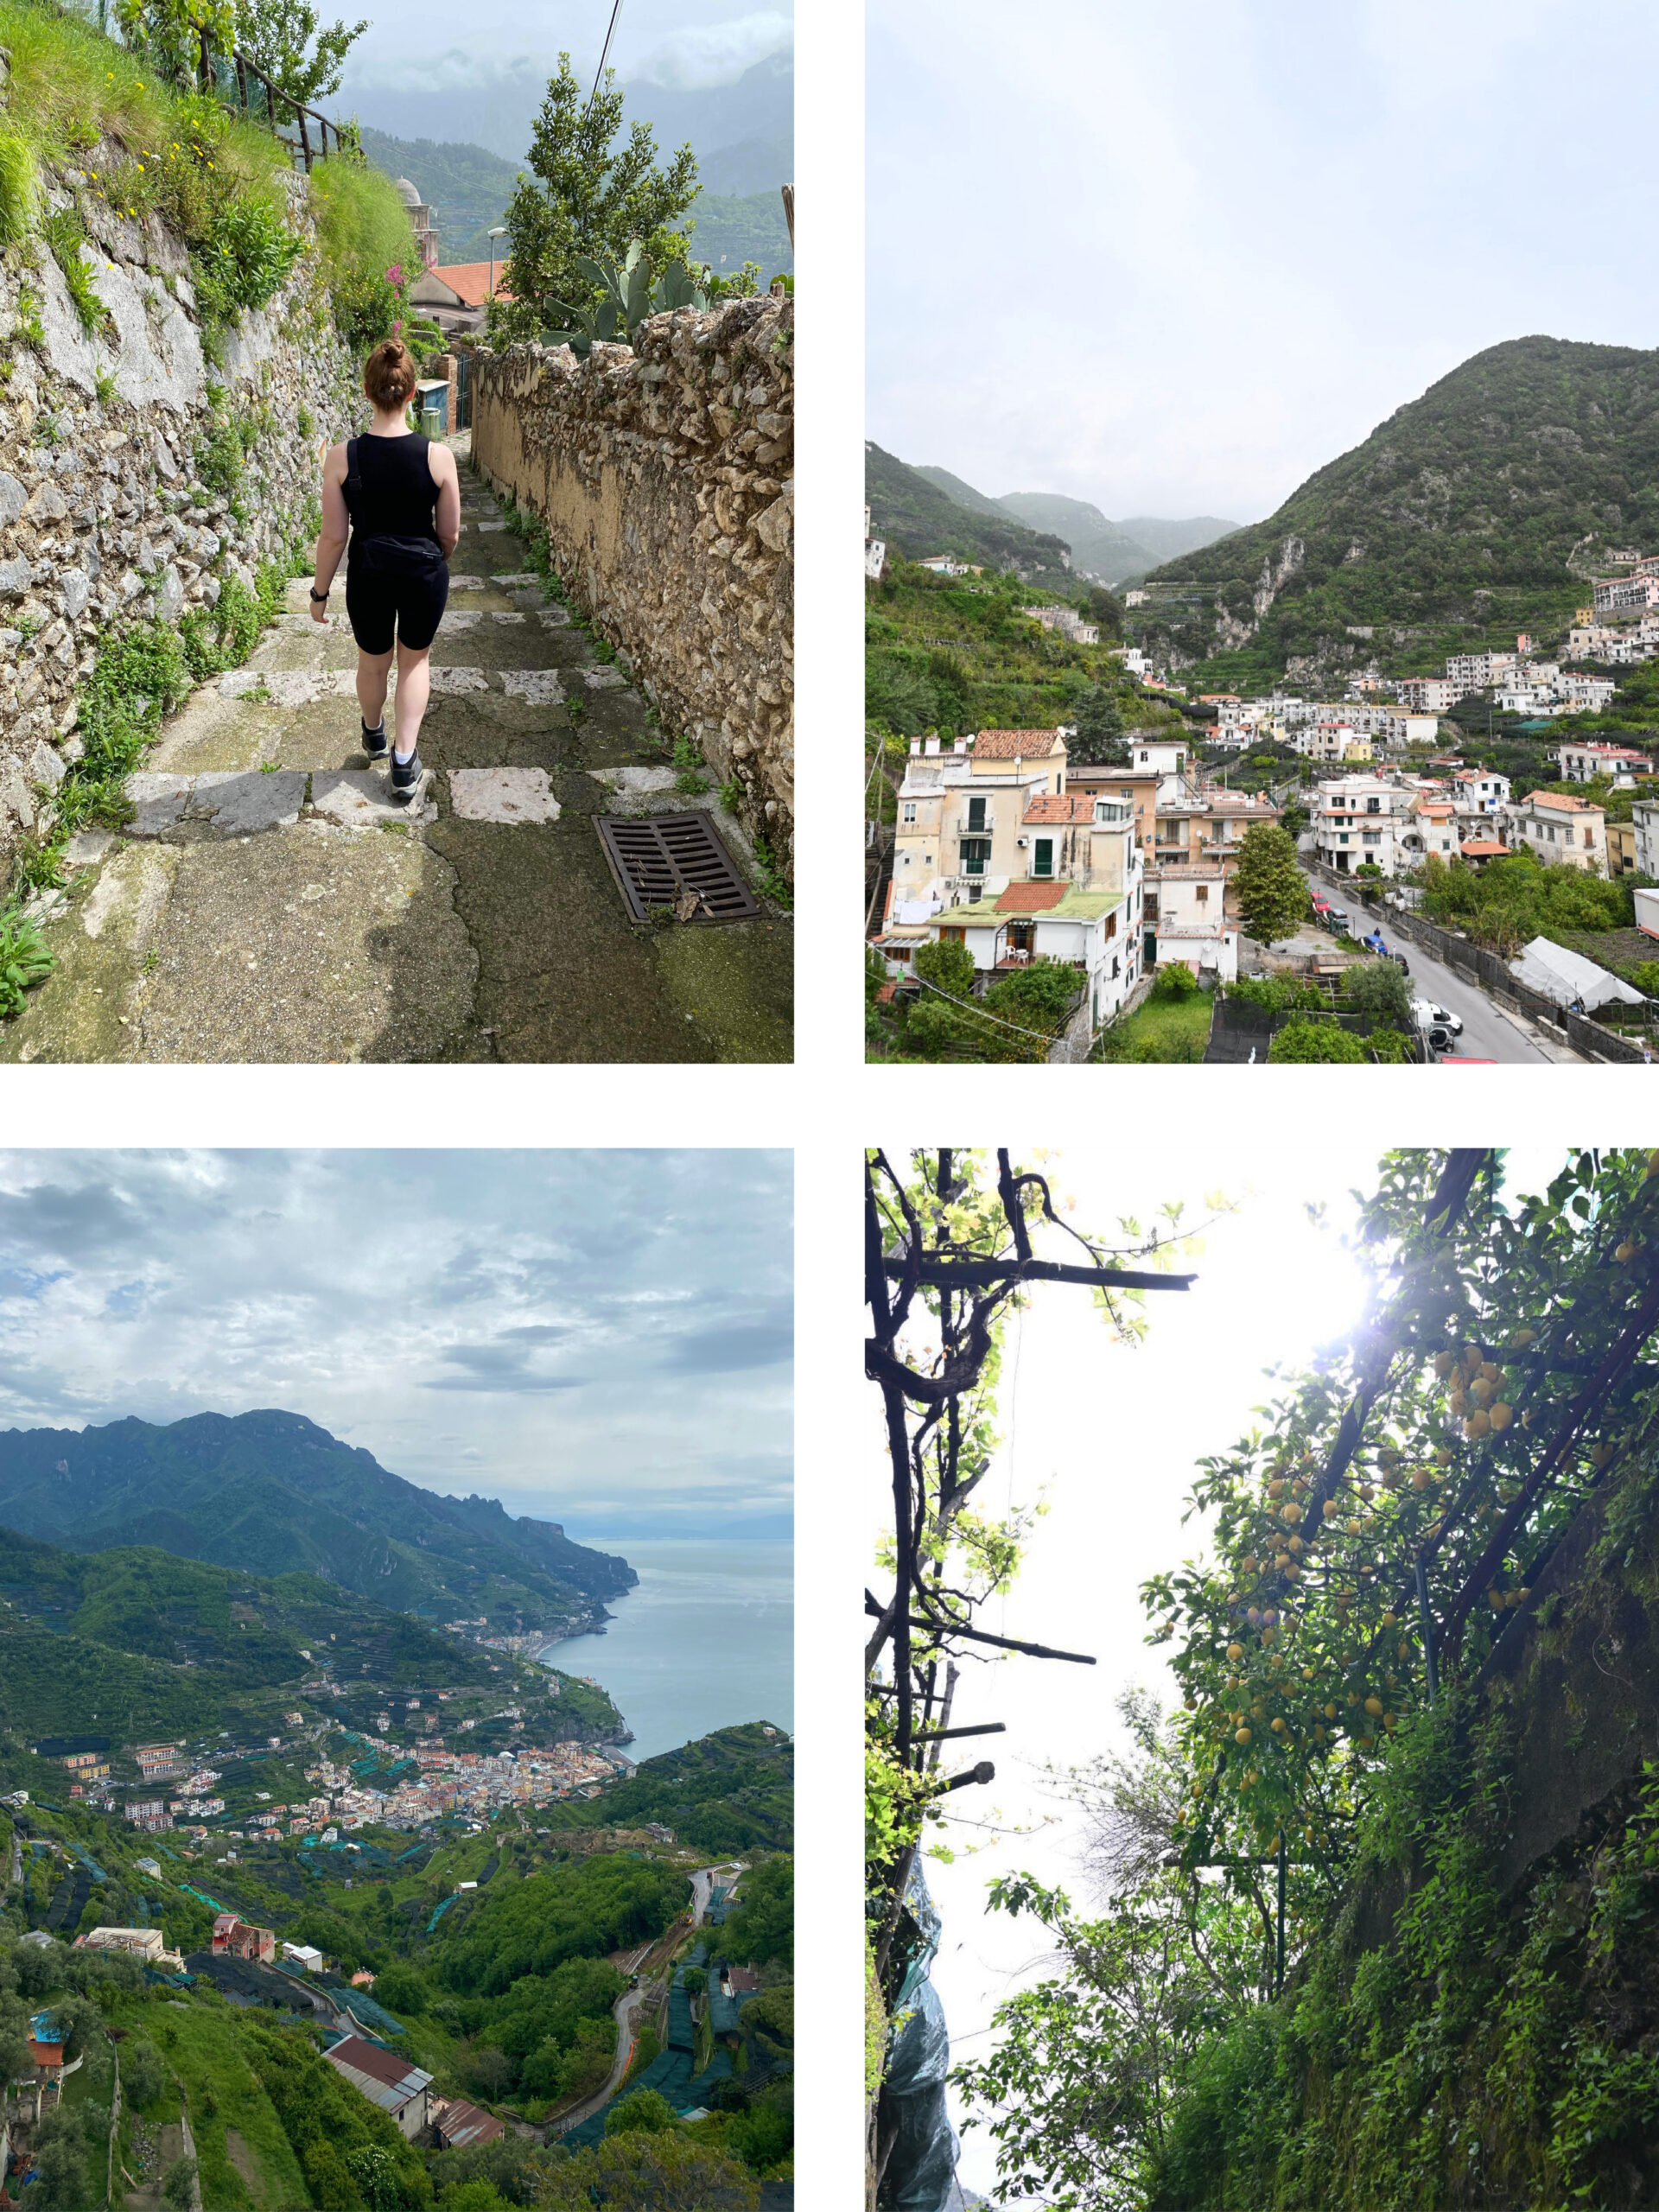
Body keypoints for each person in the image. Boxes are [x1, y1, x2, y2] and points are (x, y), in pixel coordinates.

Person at [309, 339, 461, 802]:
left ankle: (374, 731)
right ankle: (403, 761)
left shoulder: (341, 457)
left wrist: (319, 595)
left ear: (366, 391)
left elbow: (334, 537)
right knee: (414, 661)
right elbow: (450, 534)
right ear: (413, 392)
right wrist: (431, 562)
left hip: (368, 574)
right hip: (423, 573)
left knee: (373, 662)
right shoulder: (439, 457)